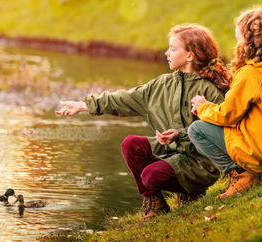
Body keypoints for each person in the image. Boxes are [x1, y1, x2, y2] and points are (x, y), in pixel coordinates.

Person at [56, 24, 230, 219]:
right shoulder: (162, 84)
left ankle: (192, 191)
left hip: (200, 164)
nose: (166, 53)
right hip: (170, 152)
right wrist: (83, 105)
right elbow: (123, 99)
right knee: (131, 144)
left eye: (173, 49)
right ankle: (154, 202)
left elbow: (218, 132)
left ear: (190, 55)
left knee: (150, 176)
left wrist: (178, 134)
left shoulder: (209, 90)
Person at [189, 7, 262, 199]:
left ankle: (244, 175)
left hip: (258, 151)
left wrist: (203, 106)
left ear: (248, 42)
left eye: (238, 38)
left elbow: (228, 115)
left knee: (197, 130)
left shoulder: (250, 73)